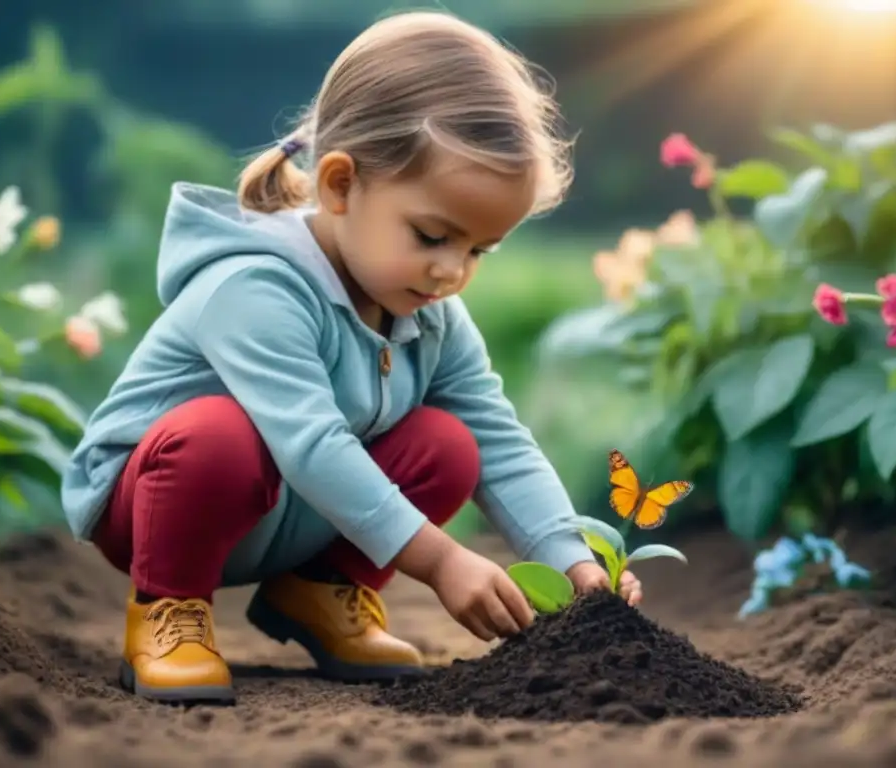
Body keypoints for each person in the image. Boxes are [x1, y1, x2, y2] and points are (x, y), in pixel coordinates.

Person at [60, 9, 643, 705]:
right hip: (160, 506)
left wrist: (575, 564)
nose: (452, 272)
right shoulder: (254, 285)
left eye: (478, 250)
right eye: (432, 235)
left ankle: (317, 591)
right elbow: (313, 447)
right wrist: (442, 560)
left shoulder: (429, 317)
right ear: (339, 184)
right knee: (219, 436)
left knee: (452, 445)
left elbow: (500, 442)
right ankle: (168, 609)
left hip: (293, 516)